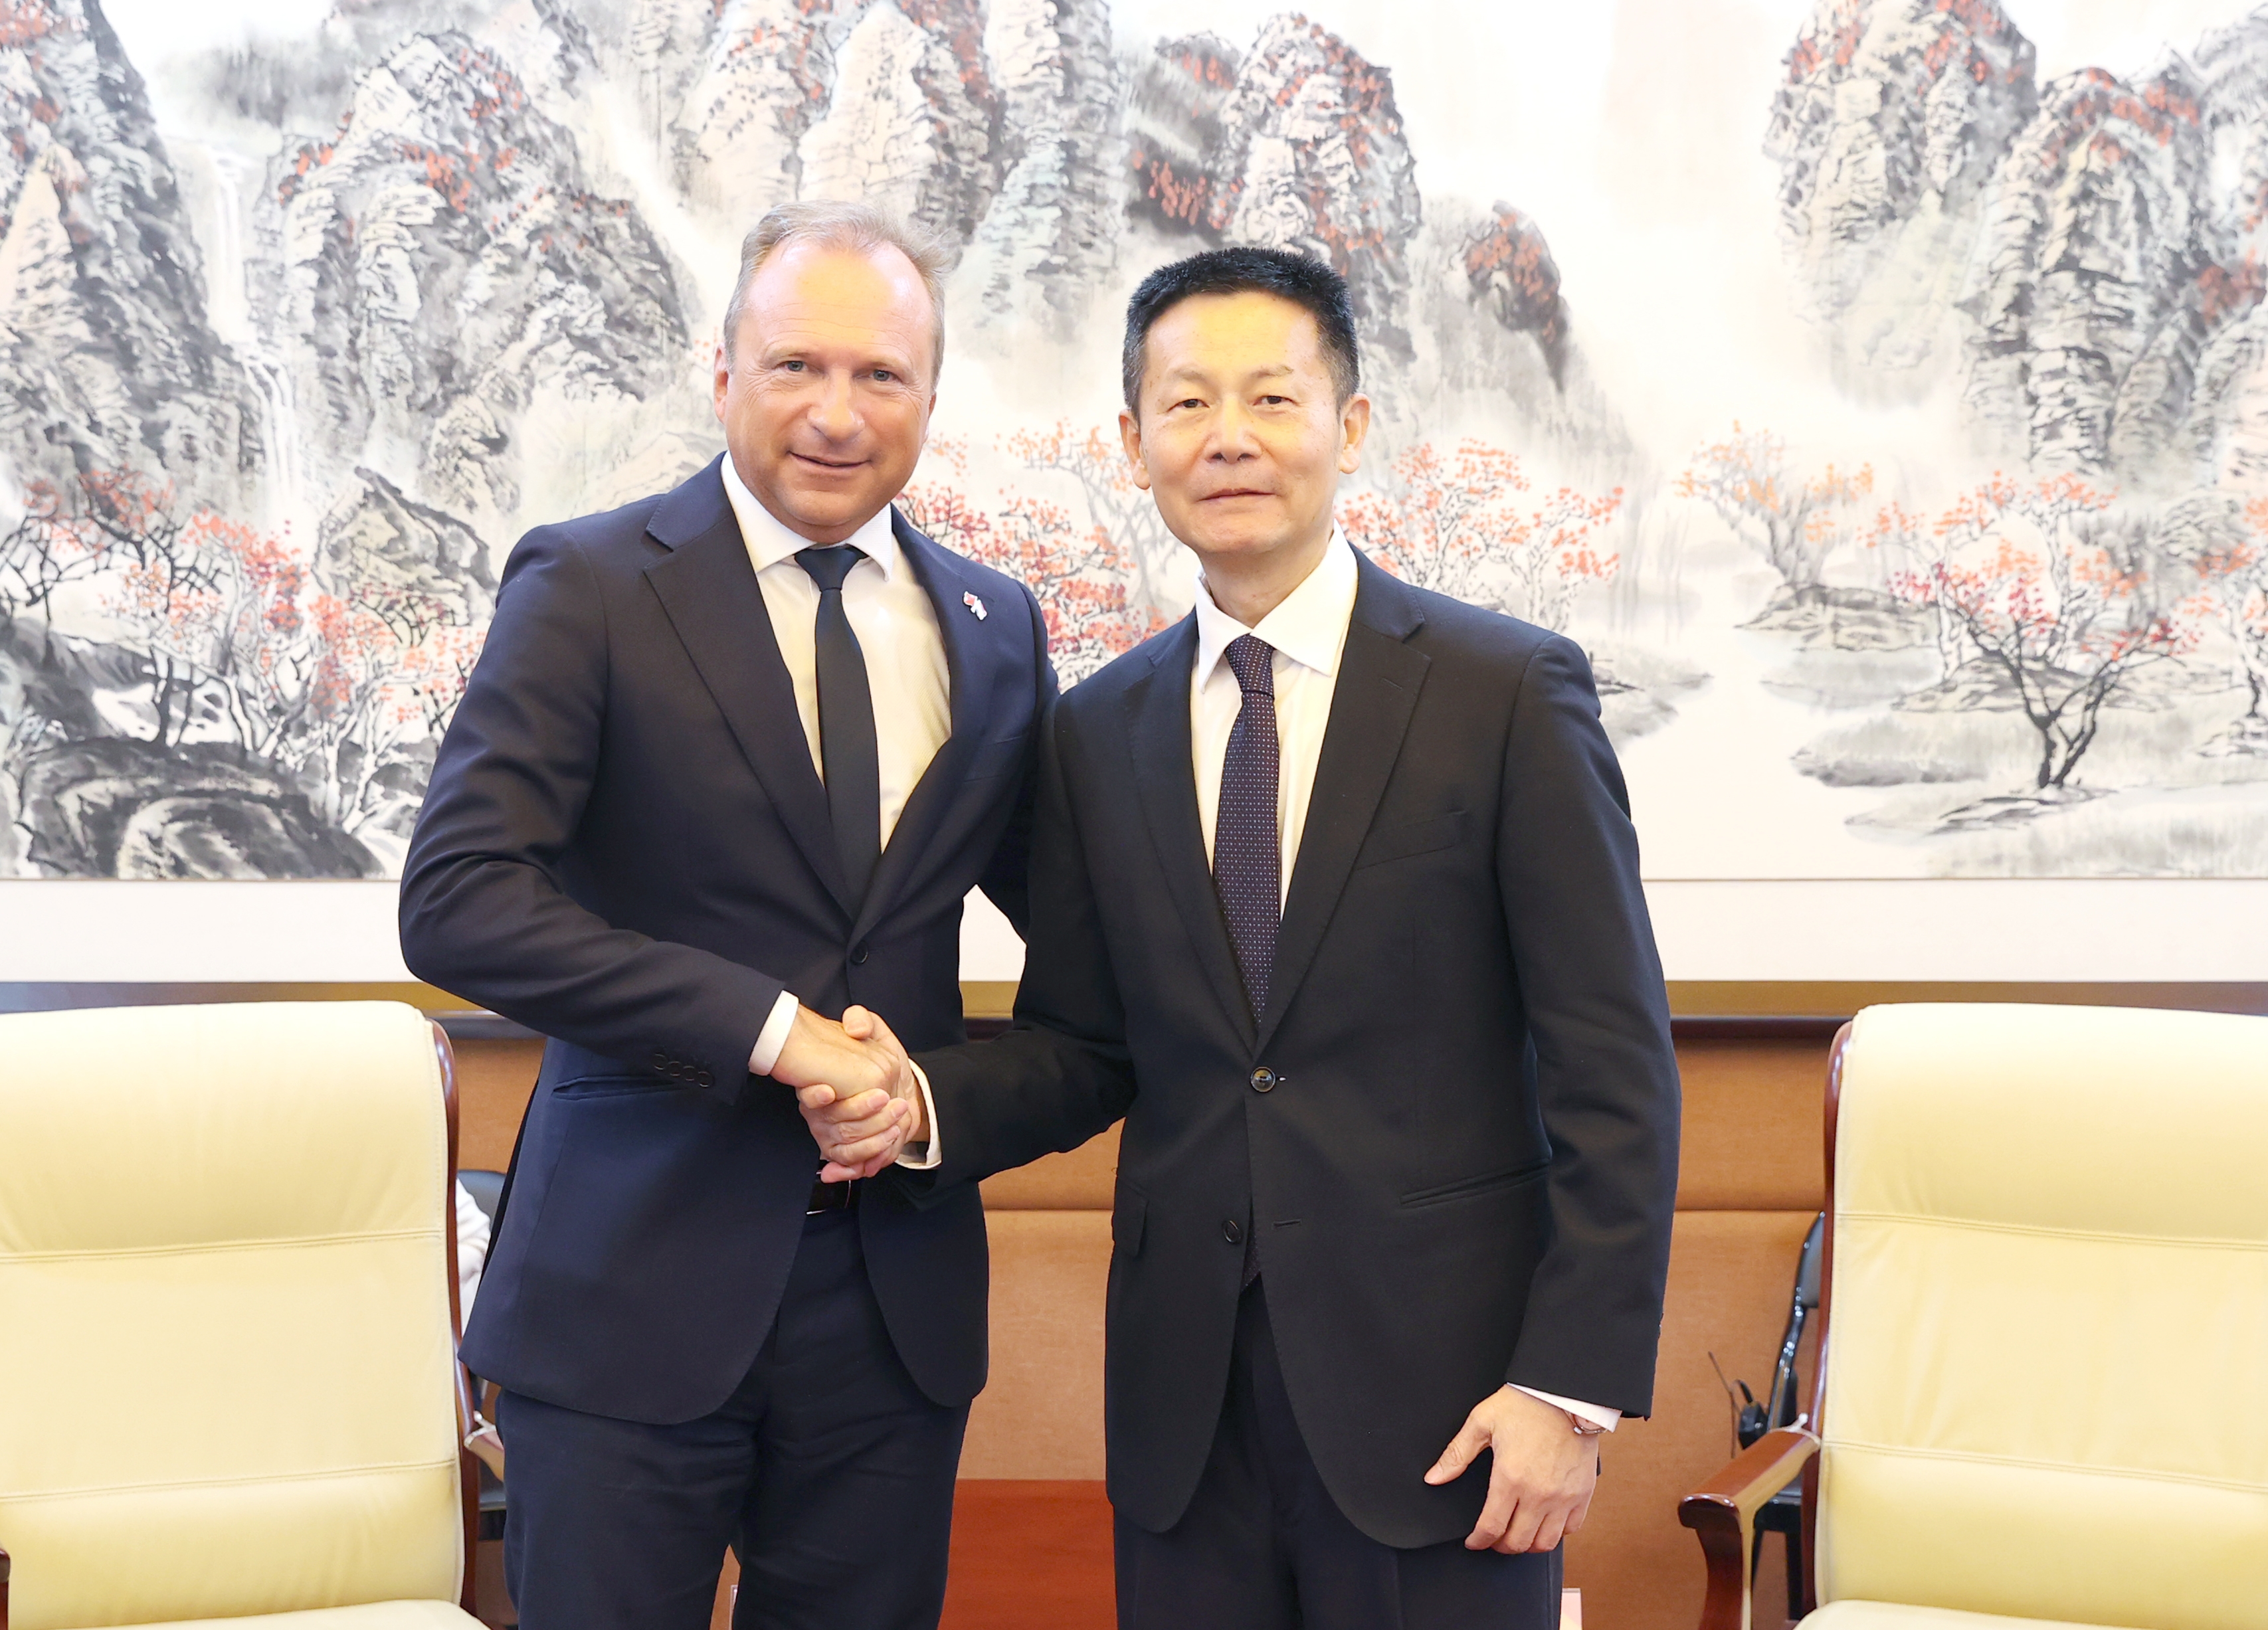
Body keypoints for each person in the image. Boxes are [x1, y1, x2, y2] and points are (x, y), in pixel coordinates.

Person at [806, 246, 1679, 1626]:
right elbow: (1087, 1042)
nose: (1228, 438)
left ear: (1349, 424)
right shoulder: (1096, 728)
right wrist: (917, 1102)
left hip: (1449, 1407)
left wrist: (1566, 1389)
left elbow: (1612, 1067)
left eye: (1271, 398)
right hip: (1185, 1411)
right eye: (1186, 403)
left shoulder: (1505, 693)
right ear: (1132, 444)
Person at [399, 201, 1052, 1630]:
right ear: (721, 373)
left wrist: (926, 1104)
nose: (836, 413)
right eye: (794, 365)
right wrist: (774, 1031)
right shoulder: (589, 584)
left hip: (892, 1309)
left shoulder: (997, 628)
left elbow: (1091, 960)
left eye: (880, 374)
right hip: (626, 1291)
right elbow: (457, 902)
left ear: (930, 395)